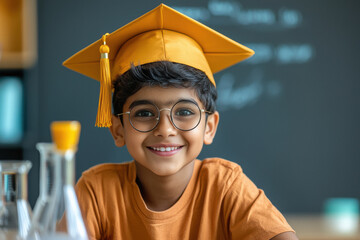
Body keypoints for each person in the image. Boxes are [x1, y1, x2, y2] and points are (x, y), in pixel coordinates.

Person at [63, 4, 298, 240]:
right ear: (117, 130)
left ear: (209, 127)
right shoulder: (97, 191)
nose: (165, 130)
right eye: (144, 114)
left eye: (184, 112)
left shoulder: (225, 185)